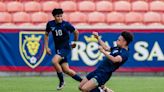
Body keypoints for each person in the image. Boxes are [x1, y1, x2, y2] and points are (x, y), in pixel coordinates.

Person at [44, 8, 82, 90]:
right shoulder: (50, 24)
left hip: (65, 48)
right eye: (58, 16)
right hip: (58, 49)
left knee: (54, 61)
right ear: (54, 16)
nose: (60, 18)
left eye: (61, 16)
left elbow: (76, 32)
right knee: (66, 70)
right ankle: (83, 81)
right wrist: (46, 47)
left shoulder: (66, 24)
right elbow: (46, 34)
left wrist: (74, 42)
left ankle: (62, 81)